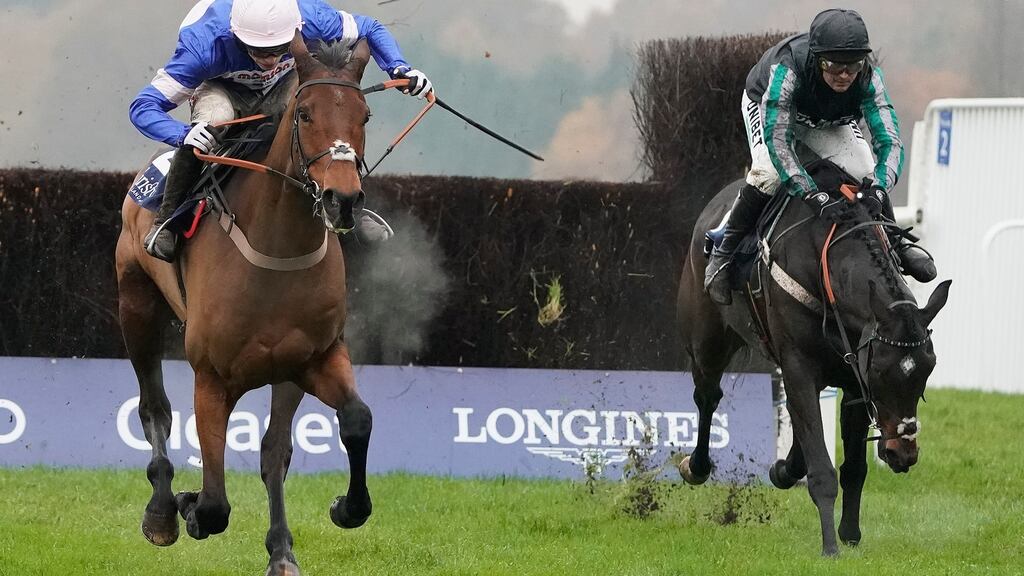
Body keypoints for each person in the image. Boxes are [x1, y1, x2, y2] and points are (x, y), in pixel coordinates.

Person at [129, 0, 432, 262]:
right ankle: (167, 219)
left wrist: (400, 68)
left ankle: (350, 208)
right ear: (235, 35)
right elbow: (143, 106)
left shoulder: (313, 17)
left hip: (285, 82)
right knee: (212, 123)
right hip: (224, 89)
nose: (269, 59)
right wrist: (182, 134)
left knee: (322, 112)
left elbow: (370, 28)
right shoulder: (202, 45)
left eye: (278, 49)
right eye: (258, 50)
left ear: (297, 30)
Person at [704, 8, 936, 305]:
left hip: (825, 120)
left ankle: (896, 241)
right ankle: (723, 255)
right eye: (833, 65)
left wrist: (879, 188)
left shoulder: (868, 77)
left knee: (865, 170)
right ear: (816, 58)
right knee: (768, 174)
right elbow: (780, 144)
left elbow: (889, 142)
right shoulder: (787, 70)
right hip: (767, 104)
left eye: (852, 66)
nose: (844, 75)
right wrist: (812, 195)